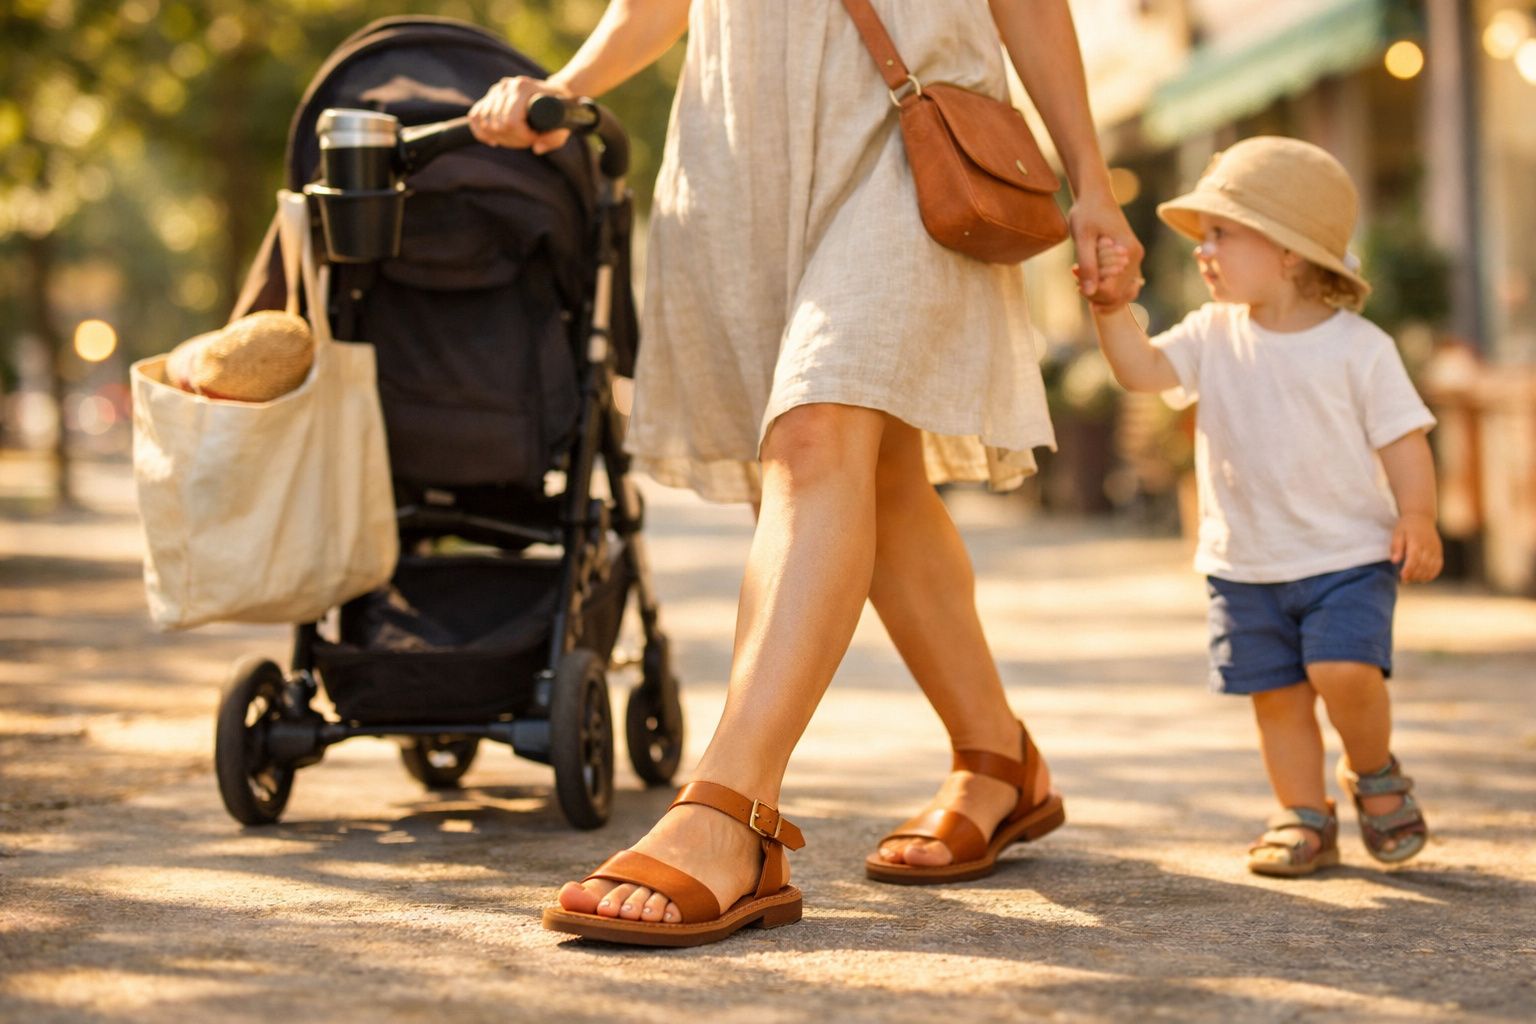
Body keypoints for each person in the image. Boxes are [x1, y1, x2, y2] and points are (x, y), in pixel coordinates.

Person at [469, 0, 1142, 945]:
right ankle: (1000, 760)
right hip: (745, 149)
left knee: (815, 432)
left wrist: (1090, 180)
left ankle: (731, 810)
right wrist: (566, 85)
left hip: (913, 125)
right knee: (883, 483)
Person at [1084, 136, 1438, 877]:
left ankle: (1373, 772)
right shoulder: (1214, 334)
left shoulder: (1358, 348)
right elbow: (1142, 370)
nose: (1202, 251)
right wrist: (1114, 309)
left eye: (1222, 235)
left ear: (1290, 252)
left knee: (1345, 671)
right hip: (1245, 564)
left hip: (1348, 555)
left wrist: (1418, 515)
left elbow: (1404, 438)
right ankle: (1302, 813)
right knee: (1276, 698)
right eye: (1203, 237)